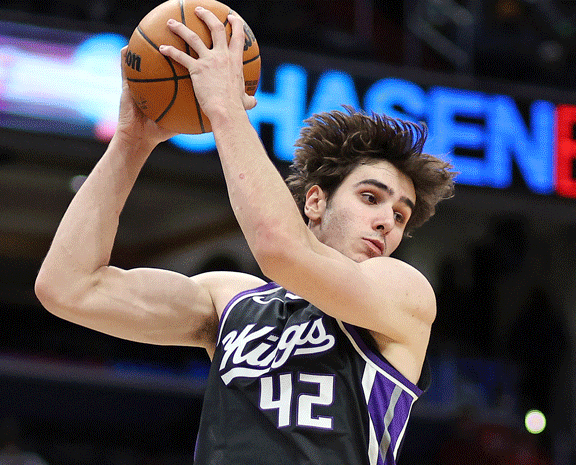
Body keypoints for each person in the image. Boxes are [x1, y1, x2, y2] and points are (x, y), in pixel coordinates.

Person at [35, 7, 455, 465]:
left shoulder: (402, 293)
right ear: (315, 202)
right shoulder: (231, 299)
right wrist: (131, 143)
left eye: (400, 215)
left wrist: (226, 109)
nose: (386, 222)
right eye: (371, 198)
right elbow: (68, 288)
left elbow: (282, 251)